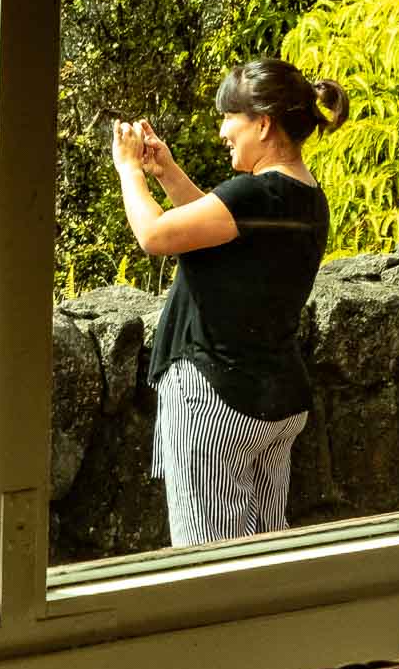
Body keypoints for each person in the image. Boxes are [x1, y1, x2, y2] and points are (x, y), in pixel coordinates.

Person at [111, 57, 350, 547]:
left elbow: (154, 235)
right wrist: (167, 172)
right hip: (274, 402)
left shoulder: (254, 193)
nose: (222, 131)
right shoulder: (305, 195)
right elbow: (220, 230)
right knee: (263, 558)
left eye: (229, 118)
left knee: (207, 565)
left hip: (215, 402)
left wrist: (129, 171)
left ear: (262, 123)